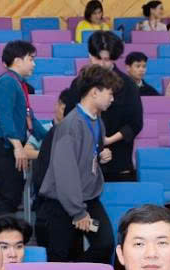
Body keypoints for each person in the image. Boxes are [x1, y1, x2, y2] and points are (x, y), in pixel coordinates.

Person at [38, 64, 121, 263]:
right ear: (94, 92)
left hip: (88, 199)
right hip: (62, 203)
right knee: (60, 259)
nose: (112, 99)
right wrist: (78, 212)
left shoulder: (97, 121)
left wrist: (100, 156)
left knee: (105, 243)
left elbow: (87, 154)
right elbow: (66, 173)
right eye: (110, 93)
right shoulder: (71, 125)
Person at [61, 32, 143, 181]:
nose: (102, 64)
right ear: (90, 56)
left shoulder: (128, 85)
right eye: (98, 58)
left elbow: (135, 124)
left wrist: (107, 140)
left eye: (107, 59)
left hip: (118, 162)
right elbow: (69, 118)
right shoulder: (78, 83)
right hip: (84, 161)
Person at [0, 40, 49, 217]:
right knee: (9, 196)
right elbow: (4, 116)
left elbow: (30, 119)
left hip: (9, 147)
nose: (34, 64)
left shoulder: (19, 84)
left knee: (8, 197)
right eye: (31, 59)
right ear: (18, 61)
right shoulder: (7, 82)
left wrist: (53, 137)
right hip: (3, 147)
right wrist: (18, 146)